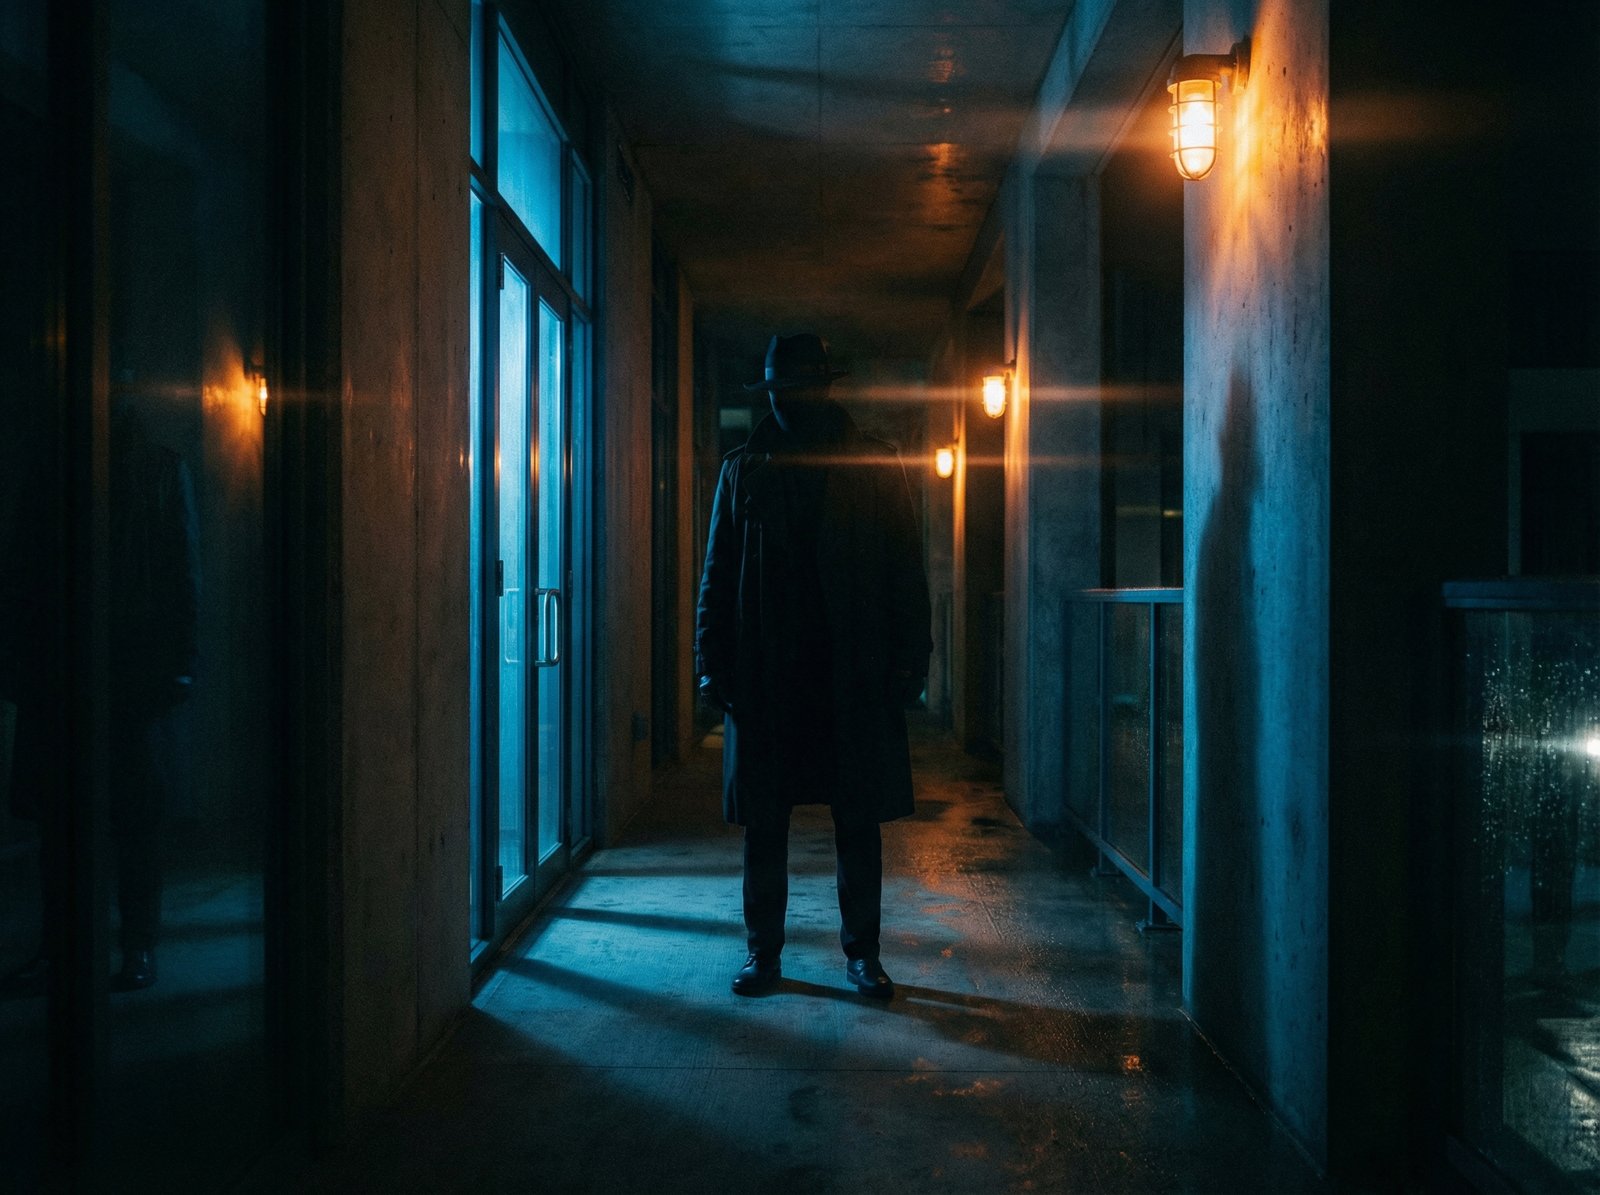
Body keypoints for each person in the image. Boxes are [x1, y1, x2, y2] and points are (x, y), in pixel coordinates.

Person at [695, 333, 932, 999]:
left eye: (800, 386)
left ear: (825, 388)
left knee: (856, 820)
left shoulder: (875, 465)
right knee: (765, 825)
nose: (792, 399)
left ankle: (863, 954)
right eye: (783, 389)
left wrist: (909, 663)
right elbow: (718, 574)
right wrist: (712, 665)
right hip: (770, 672)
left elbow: (903, 574)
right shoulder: (744, 469)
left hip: (848, 670)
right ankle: (763, 953)